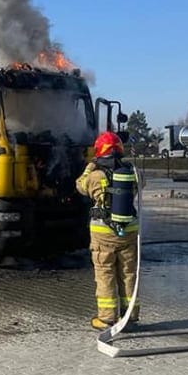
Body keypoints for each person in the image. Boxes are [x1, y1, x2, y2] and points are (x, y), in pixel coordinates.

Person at [76, 131, 140, 330]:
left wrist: (90, 166)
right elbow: (141, 187)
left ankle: (106, 318)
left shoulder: (95, 175)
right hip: (129, 231)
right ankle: (130, 316)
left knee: (105, 273)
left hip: (104, 234)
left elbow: (80, 186)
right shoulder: (131, 172)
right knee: (128, 273)